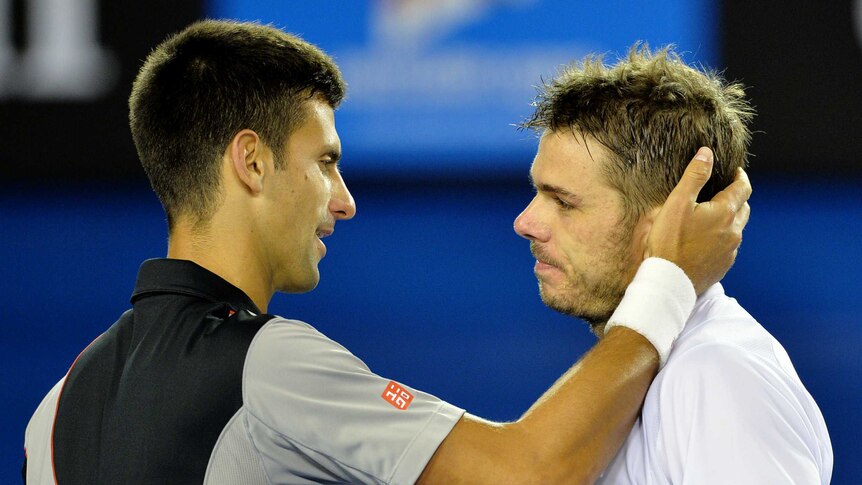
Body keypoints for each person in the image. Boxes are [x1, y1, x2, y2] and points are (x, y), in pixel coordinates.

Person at [23, 21, 751, 484]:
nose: (343, 199)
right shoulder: (266, 365)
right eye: (325, 162)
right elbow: (529, 472)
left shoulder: (52, 412)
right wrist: (668, 280)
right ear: (251, 162)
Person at [514, 44, 833, 484]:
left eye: (564, 202)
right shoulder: (657, 373)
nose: (526, 222)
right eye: (537, 193)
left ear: (668, 223)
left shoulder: (716, 375)